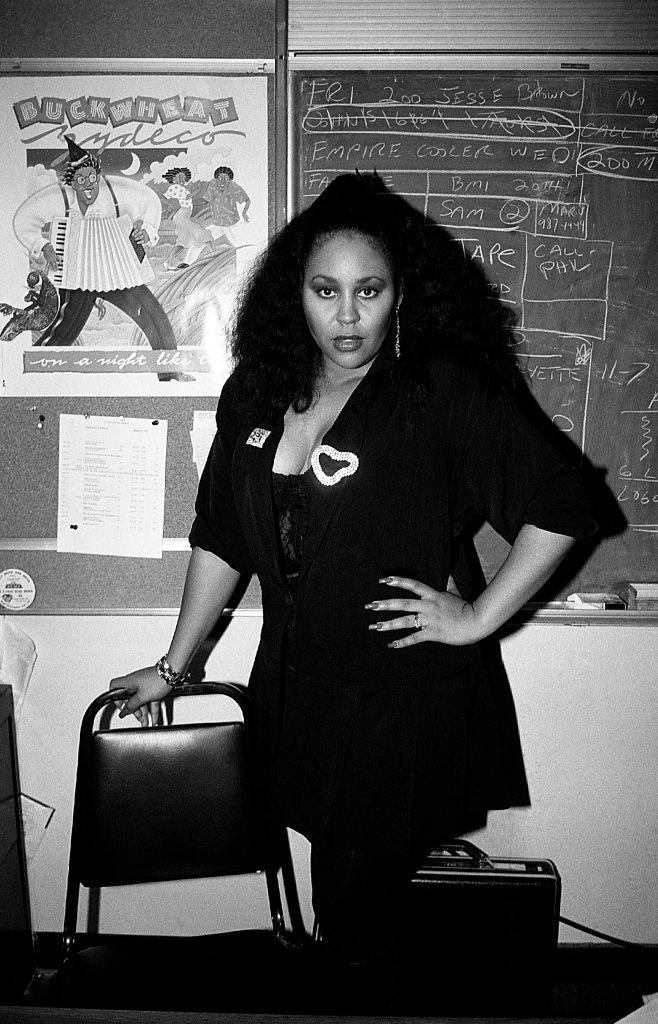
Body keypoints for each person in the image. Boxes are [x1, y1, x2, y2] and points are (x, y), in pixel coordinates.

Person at [111, 173, 597, 1011]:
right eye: (325, 290)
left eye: (368, 291)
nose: (346, 317)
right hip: (299, 688)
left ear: (401, 294)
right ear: (291, 293)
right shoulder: (257, 394)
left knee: (354, 908)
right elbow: (224, 536)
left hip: (397, 698)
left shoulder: (438, 389)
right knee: (339, 891)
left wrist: (477, 615)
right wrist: (177, 665)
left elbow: (564, 502)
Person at [13, 137, 191, 382]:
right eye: (81, 180)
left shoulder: (116, 189)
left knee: (151, 313)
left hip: (117, 270)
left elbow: (150, 200)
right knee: (66, 327)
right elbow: (22, 219)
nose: (88, 185)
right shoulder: (59, 197)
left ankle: (171, 372)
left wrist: (147, 231)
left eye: (91, 178)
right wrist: (43, 245)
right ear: (72, 182)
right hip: (77, 272)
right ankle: (36, 376)